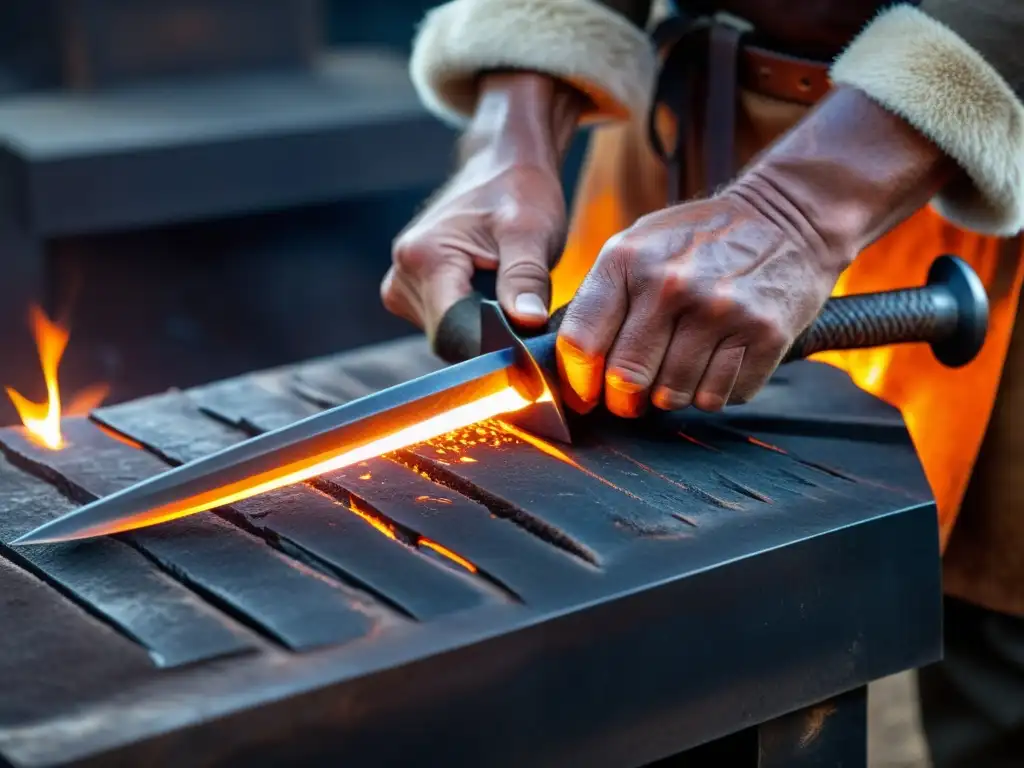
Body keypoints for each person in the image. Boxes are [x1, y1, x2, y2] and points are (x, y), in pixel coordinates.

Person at [383, 1, 1024, 764]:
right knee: (641, 613)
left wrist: (795, 212)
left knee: (1003, 669)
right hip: (678, 165)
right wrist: (512, 127)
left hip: (991, 169)